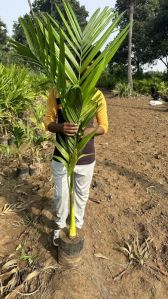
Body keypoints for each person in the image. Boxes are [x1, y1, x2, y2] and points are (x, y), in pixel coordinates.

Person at [43, 88, 108, 245]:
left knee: (81, 194)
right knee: (61, 195)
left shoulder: (95, 94)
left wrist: (87, 131)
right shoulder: (57, 91)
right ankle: (59, 225)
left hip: (86, 156)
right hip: (62, 155)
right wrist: (60, 127)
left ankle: (76, 224)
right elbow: (47, 121)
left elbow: (104, 126)